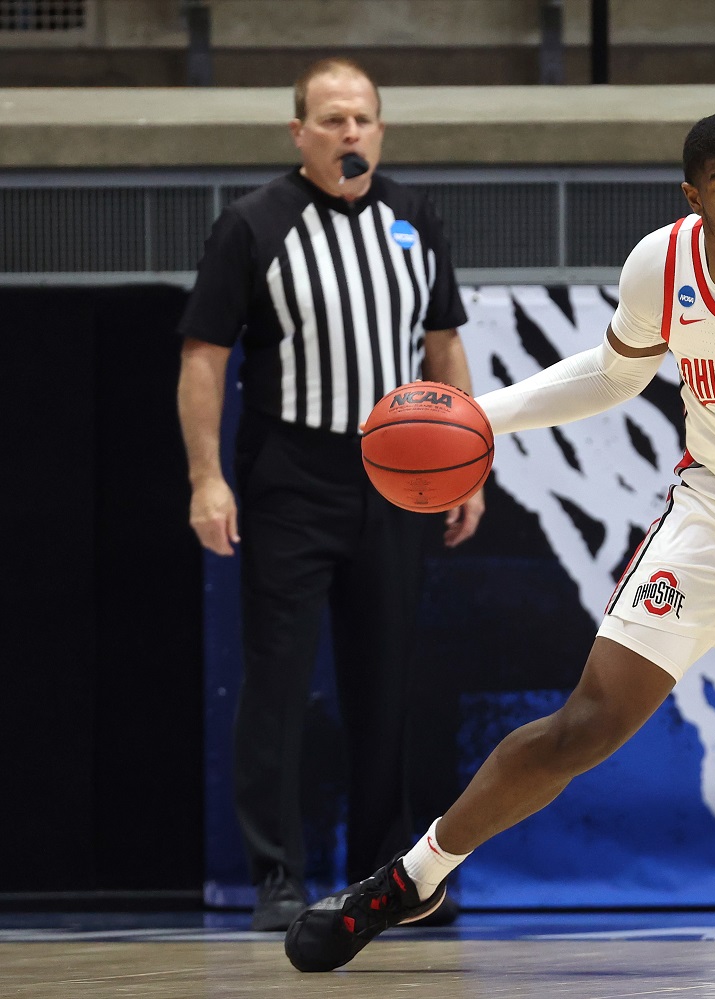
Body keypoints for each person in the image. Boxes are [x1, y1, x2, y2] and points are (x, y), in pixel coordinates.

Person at [282, 111, 715, 977]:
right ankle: (414, 877)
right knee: (586, 726)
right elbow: (612, 374)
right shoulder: (662, 264)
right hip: (713, 504)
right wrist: (482, 414)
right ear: (693, 196)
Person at [177, 56, 483, 932]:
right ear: (299, 132)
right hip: (290, 477)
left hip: (394, 480)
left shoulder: (414, 216)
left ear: (381, 128)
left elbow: (444, 344)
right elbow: (202, 358)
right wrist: (207, 477)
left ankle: (387, 875)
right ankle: (276, 874)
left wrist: (469, 465)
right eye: (334, 119)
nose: (352, 132)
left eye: (364, 118)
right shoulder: (251, 225)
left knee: (385, 680)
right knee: (275, 680)